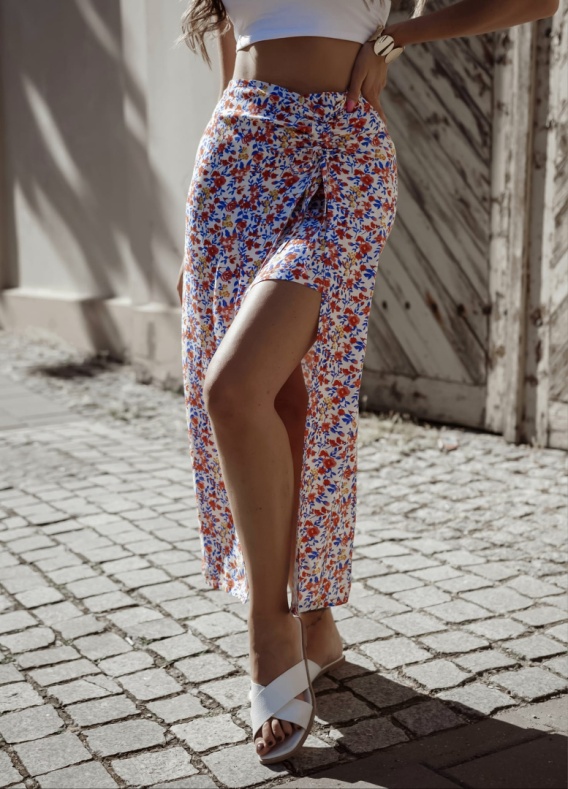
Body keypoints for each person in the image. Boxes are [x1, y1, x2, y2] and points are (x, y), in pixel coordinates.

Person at [176, 0, 558, 764]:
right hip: (236, 158)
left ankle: (269, 627)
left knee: (235, 389)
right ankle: (315, 623)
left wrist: (399, 35)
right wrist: (193, 236)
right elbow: (230, 53)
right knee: (284, 400)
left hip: (339, 156)